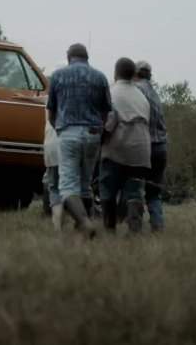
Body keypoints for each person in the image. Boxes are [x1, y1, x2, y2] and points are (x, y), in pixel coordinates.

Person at [46, 43, 111, 239]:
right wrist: (98, 130)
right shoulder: (100, 77)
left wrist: (59, 129)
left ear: (69, 57)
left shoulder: (58, 76)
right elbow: (106, 111)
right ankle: (82, 232)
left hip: (68, 132)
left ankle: (84, 223)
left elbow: (51, 111)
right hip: (93, 134)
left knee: (67, 186)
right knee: (85, 184)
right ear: (86, 57)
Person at [99, 57, 151, 234]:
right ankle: (135, 229)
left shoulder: (112, 93)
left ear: (115, 73)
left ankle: (109, 228)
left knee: (108, 188)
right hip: (142, 150)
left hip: (118, 148)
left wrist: (100, 141)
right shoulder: (141, 96)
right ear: (133, 75)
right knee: (134, 191)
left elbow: (110, 122)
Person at [134, 60, 168, 232]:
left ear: (136, 73)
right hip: (161, 147)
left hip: (145, 147)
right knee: (154, 192)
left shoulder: (136, 90)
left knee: (136, 189)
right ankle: (158, 226)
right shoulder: (155, 93)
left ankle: (135, 228)